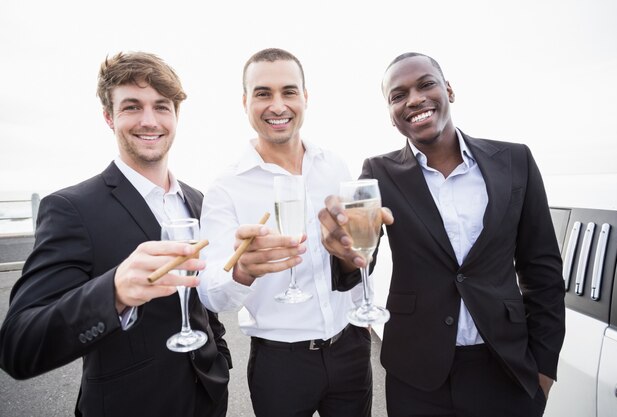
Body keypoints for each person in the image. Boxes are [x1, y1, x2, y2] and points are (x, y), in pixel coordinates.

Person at [318, 52, 566, 417]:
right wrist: (342, 249)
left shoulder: (515, 160)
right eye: (398, 95)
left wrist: (543, 371)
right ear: (391, 115)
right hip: (417, 377)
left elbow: (542, 270)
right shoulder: (379, 172)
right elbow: (358, 260)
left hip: (507, 368)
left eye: (426, 84)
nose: (414, 99)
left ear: (448, 90)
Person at [0, 51, 230, 417]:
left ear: (176, 115)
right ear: (109, 117)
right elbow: (19, 345)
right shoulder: (70, 208)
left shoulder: (198, 201)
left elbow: (201, 295)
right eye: (132, 107)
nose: (149, 120)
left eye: (162, 106)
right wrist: (114, 292)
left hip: (210, 399)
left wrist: (220, 355)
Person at [197, 48, 372, 417]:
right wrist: (242, 270)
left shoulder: (333, 164)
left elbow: (354, 251)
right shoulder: (225, 188)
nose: (278, 105)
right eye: (263, 93)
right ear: (245, 102)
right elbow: (213, 296)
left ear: (305, 98)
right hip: (280, 363)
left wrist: (356, 250)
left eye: (289, 92)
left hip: (351, 348)